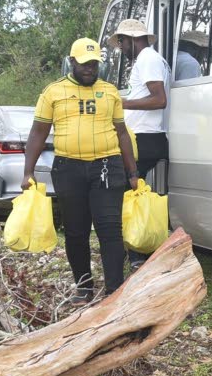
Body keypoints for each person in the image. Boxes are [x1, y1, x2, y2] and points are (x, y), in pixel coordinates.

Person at [21, 38, 139, 302]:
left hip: (107, 166)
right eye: (85, 64)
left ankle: (114, 291)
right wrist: (27, 172)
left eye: (94, 64)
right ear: (71, 62)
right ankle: (84, 287)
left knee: (110, 229)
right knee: (76, 231)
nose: (90, 69)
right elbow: (38, 132)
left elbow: (121, 133)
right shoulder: (52, 92)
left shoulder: (110, 92)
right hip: (68, 168)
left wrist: (132, 172)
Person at [112, 19, 170, 181]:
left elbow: (159, 100)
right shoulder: (149, 58)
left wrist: (121, 103)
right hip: (144, 137)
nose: (120, 46)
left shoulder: (148, 58)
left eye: (121, 40)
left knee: (122, 190)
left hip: (144, 137)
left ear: (133, 38)